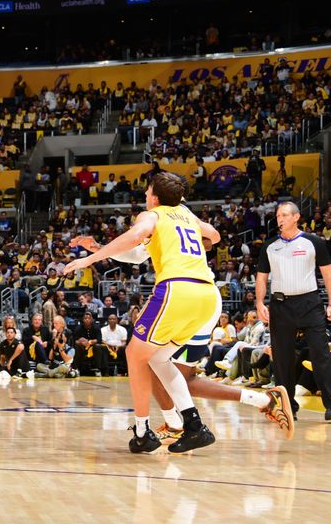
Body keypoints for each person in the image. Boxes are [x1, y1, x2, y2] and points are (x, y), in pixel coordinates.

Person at [64, 172, 221, 454]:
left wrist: (89, 258)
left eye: (148, 192)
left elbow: (135, 236)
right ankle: (194, 425)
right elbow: (215, 235)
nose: (146, 196)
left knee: (134, 354)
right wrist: (100, 248)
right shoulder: (186, 216)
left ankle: (142, 431)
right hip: (206, 295)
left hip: (177, 290)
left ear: (155, 197)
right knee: (158, 358)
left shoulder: (154, 215)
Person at [256, 202, 331, 422]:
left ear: (296, 217)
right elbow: (262, 277)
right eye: (277, 215)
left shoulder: (313, 242)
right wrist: (259, 302)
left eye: (284, 215)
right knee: (282, 358)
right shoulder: (269, 245)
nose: (280, 219)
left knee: (320, 353)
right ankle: (288, 405)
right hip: (280, 305)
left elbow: (328, 274)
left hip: (309, 303)